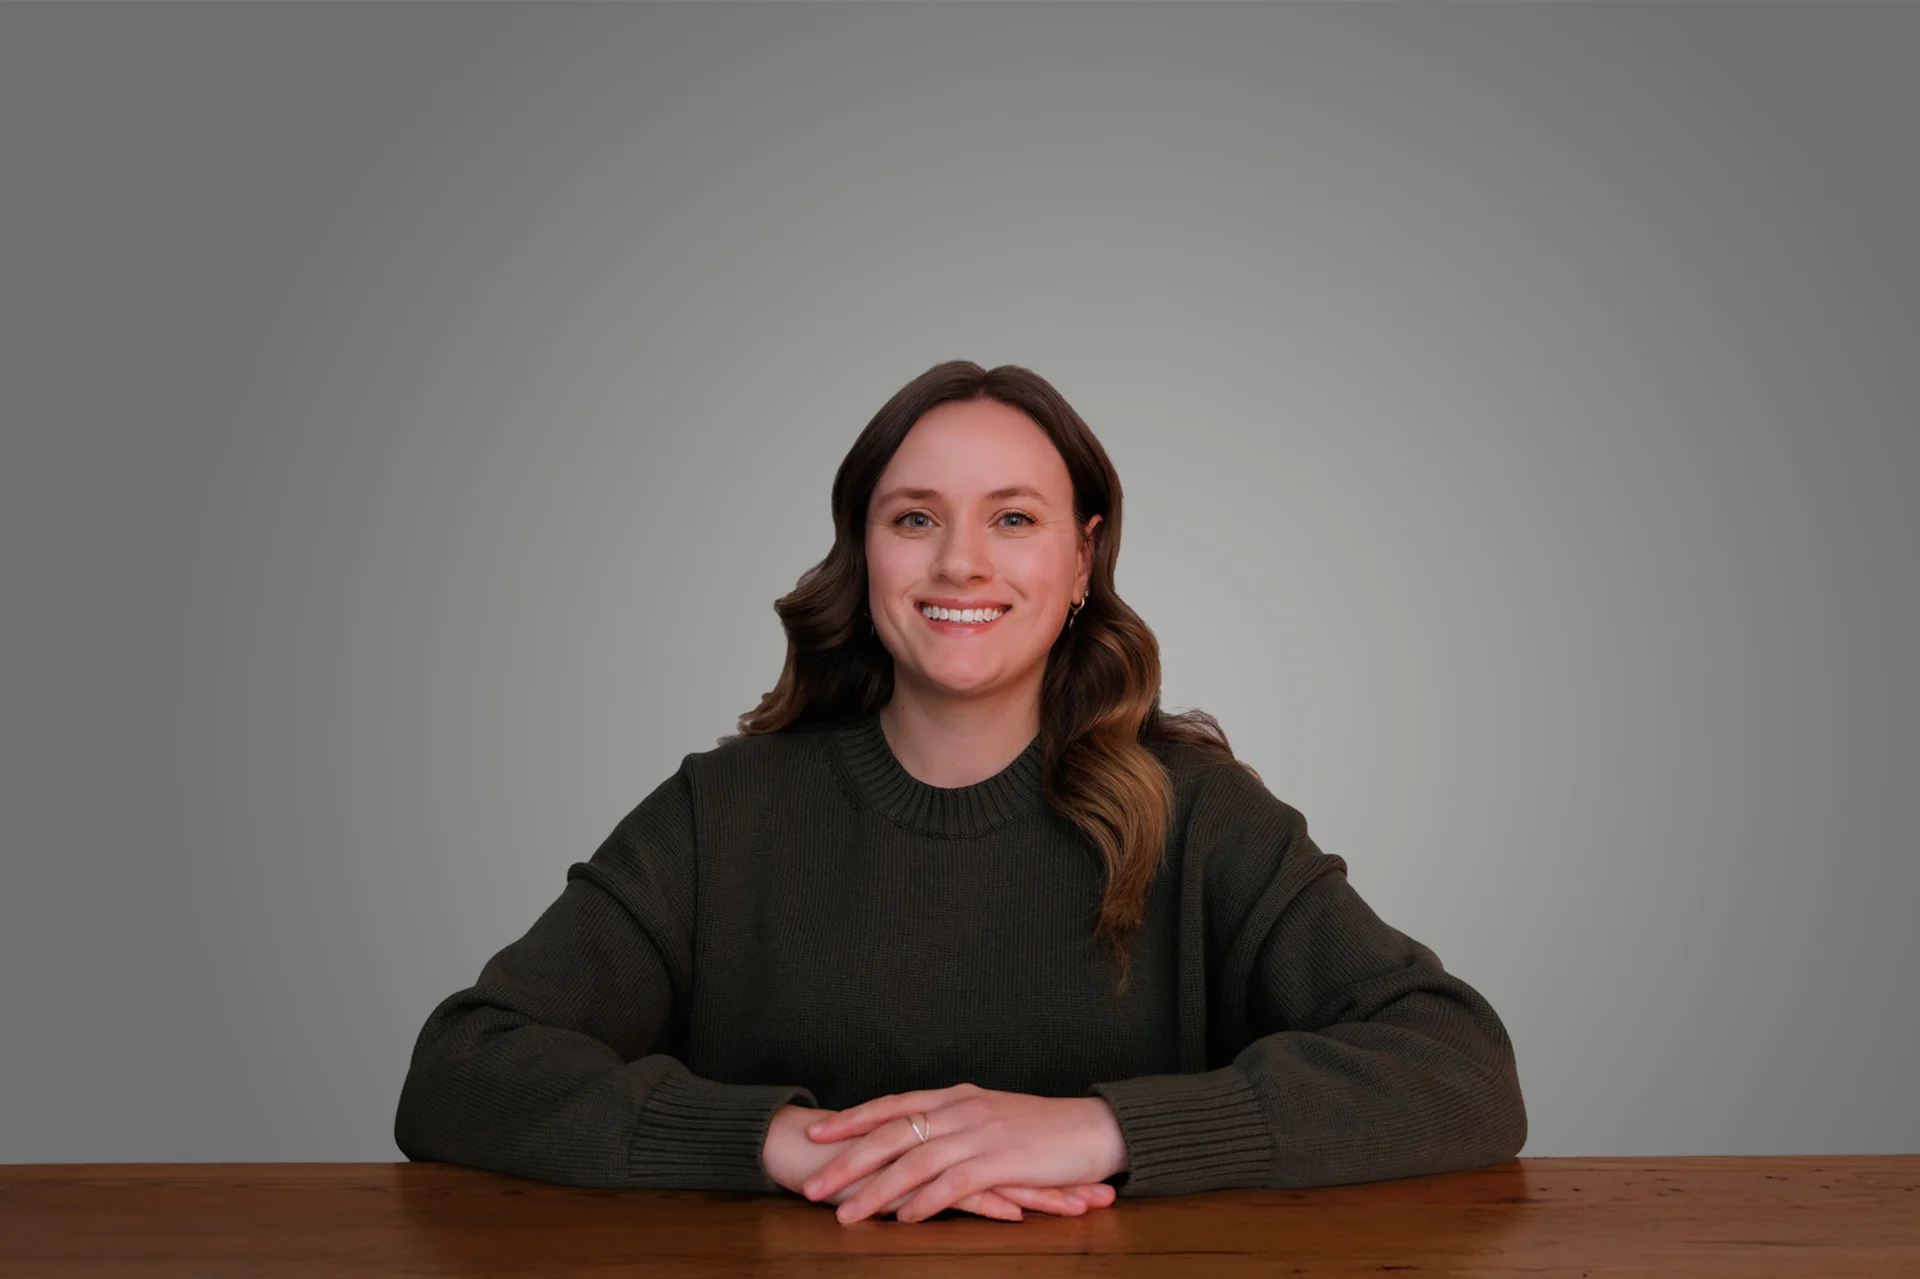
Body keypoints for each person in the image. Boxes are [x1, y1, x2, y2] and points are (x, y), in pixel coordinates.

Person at [393, 360, 1528, 1225]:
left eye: (1015, 518)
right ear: (865, 554)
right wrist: (786, 1143)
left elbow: (1459, 1064)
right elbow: (463, 1067)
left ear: (1081, 563)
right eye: (916, 517)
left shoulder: (1201, 814)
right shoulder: (721, 814)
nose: (961, 565)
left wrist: (1103, 1131)